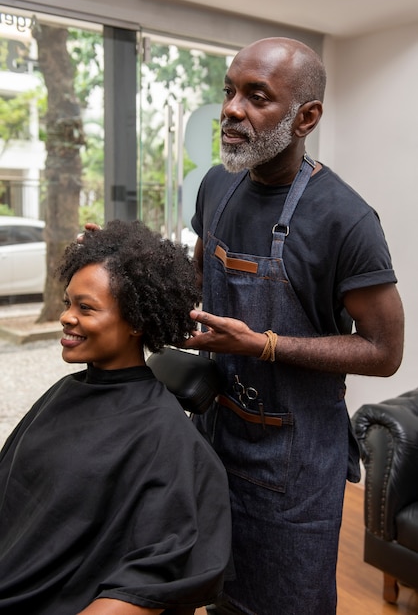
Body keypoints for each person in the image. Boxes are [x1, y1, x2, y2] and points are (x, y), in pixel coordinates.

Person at [181, 37, 405, 615]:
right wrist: (123, 276)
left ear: (306, 117)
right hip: (216, 439)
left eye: (257, 97)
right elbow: (196, 279)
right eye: (229, 91)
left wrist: (264, 344)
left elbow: (384, 351)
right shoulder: (216, 186)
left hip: (295, 465)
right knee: (215, 594)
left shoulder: (345, 219)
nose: (232, 108)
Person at [0, 219, 232, 615]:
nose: (66, 318)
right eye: (67, 303)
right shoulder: (66, 393)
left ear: (137, 322)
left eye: (86, 308)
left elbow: (149, 578)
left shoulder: (164, 436)